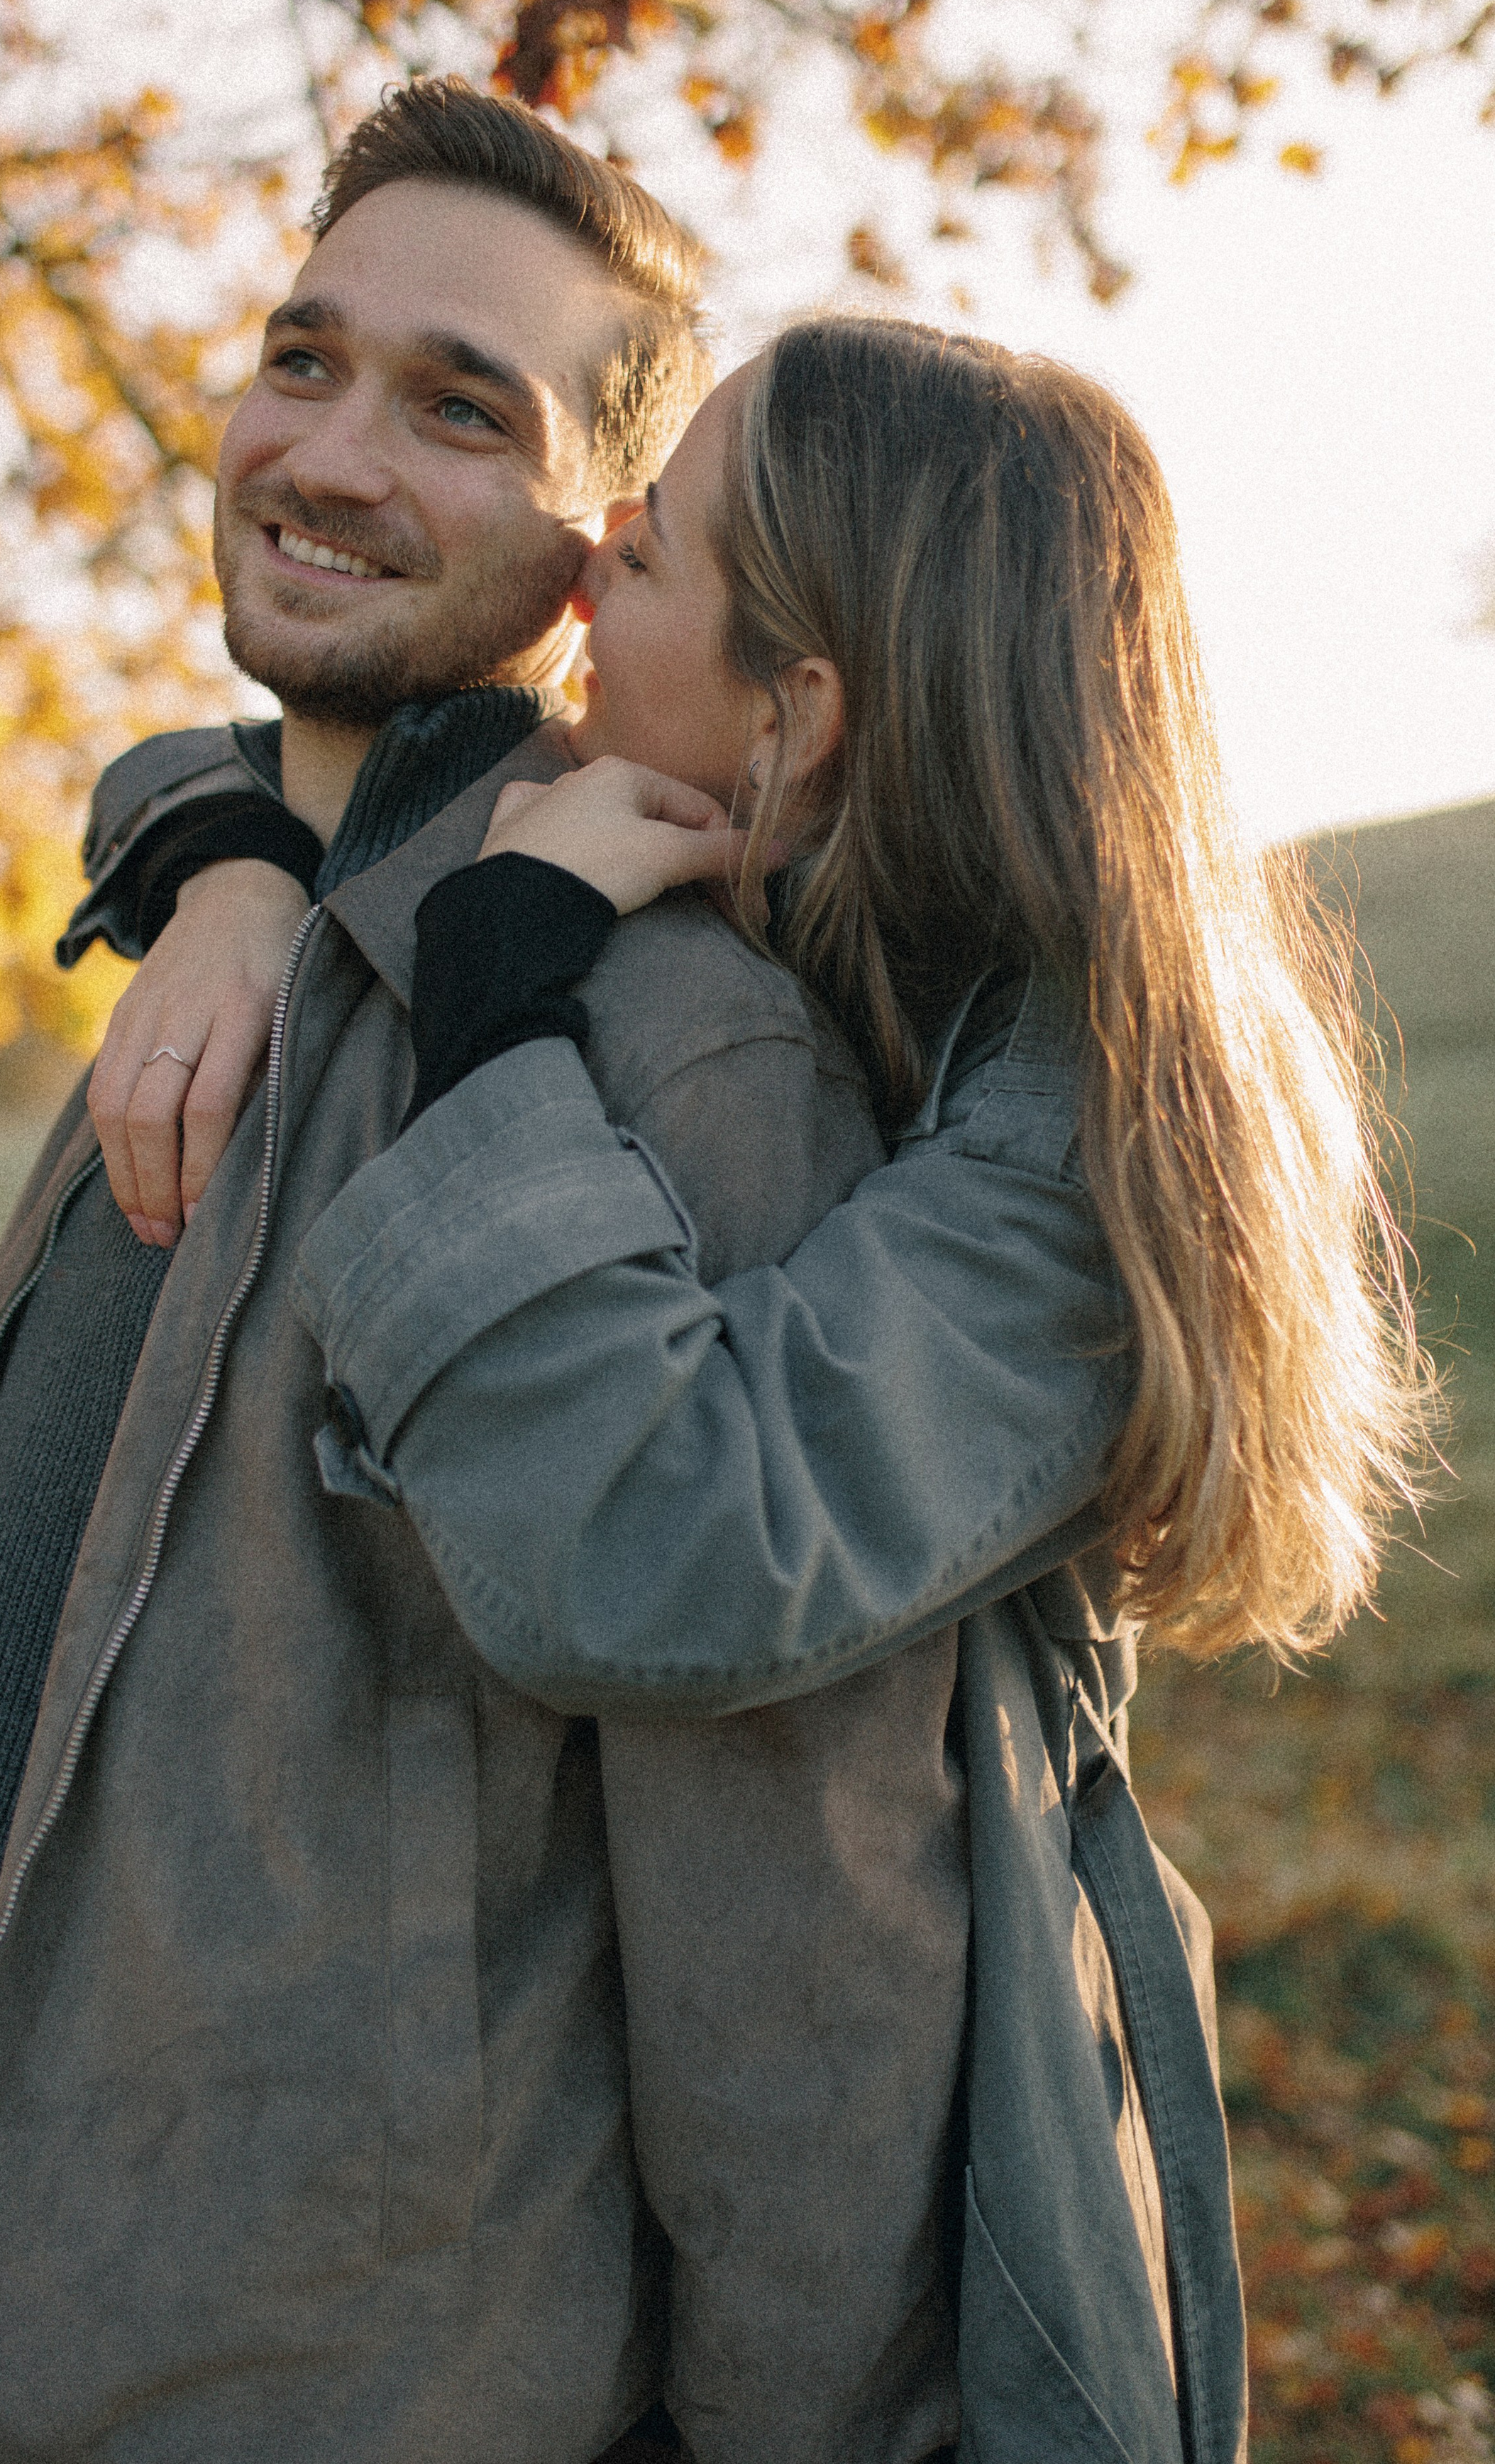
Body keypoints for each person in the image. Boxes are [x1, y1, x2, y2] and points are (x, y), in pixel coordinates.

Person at [90, 314, 1435, 2464]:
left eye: (660, 542)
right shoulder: (825, 921)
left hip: (934, 2241)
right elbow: (276, 758)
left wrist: (506, 1001)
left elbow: (661, 1539)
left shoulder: (1073, 1148)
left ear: (799, 713)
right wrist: (221, 870)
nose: (591, 547)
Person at [0, 79, 903, 2464]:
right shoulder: (210, 934)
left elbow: (797, 1917)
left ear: (604, 552)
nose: (333, 452)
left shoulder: (671, 1052)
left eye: (460, 409)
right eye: (304, 359)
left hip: (300, 2378)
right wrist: (217, 862)